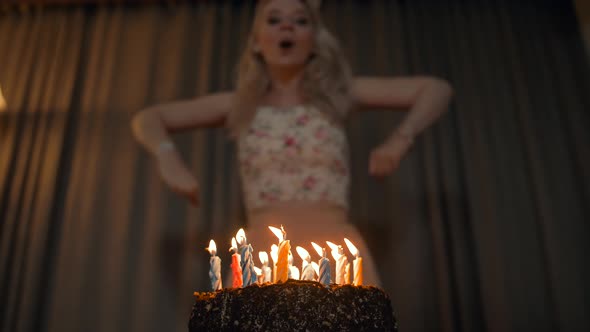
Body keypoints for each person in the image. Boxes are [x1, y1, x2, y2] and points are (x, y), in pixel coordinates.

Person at [131, 0, 453, 287]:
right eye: (273, 19)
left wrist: (400, 139)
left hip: (333, 251)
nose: (287, 26)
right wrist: (168, 158)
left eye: (300, 20)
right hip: (263, 254)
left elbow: (436, 89)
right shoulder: (239, 104)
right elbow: (147, 118)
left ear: (313, 40)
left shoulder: (339, 95)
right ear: (256, 43)